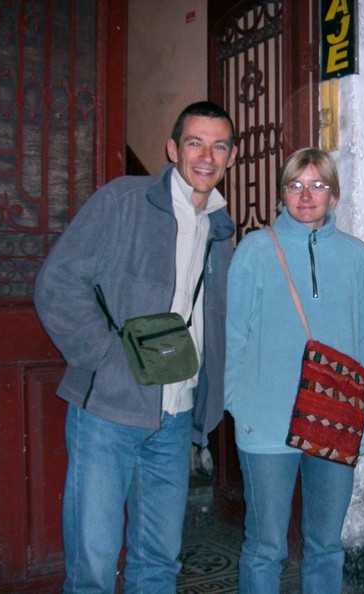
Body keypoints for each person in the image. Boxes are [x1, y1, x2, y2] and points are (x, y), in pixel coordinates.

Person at [34, 101, 238, 593]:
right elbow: (58, 282)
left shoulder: (220, 230)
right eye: (195, 142)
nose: (206, 156)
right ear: (172, 149)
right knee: (93, 567)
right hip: (107, 412)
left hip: (174, 419)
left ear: (231, 157)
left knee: (159, 564)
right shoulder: (123, 201)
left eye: (219, 146)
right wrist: (107, 359)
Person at [224, 147, 364, 593]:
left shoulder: (356, 257)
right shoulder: (255, 252)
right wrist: (240, 406)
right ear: (282, 194)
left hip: (337, 420)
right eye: (295, 185)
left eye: (318, 185)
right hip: (266, 426)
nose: (306, 196)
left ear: (334, 194)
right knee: (265, 548)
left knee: (326, 547)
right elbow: (233, 338)